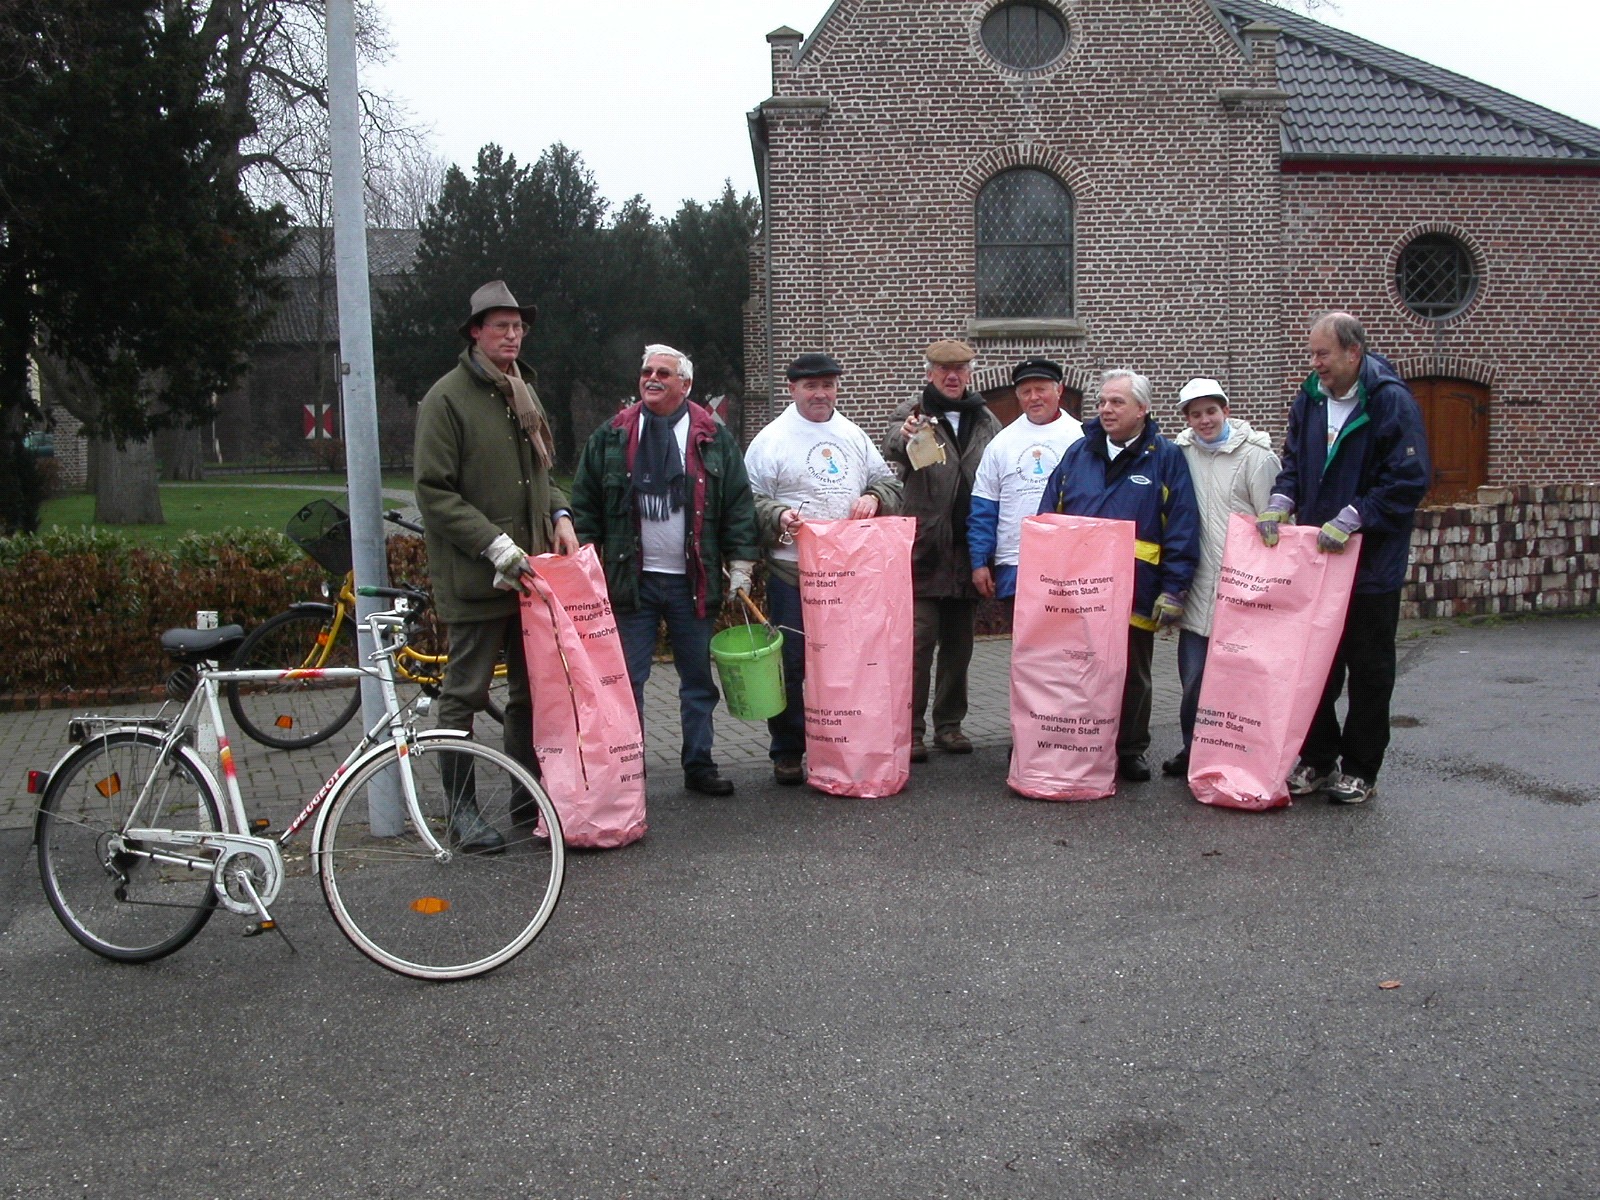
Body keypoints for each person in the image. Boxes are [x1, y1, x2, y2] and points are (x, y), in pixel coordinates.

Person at [413, 280, 579, 853]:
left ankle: (526, 800)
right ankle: (460, 813)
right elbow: (434, 492)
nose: (512, 336)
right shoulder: (446, 399)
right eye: (501, 326)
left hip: (529, 580)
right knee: (463, 694)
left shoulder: (522, 391)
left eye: (519, 327)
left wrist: (559, 511)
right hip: (476, 579)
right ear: (475, 332)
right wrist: (495, 545)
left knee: (531, 695)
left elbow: (540, 474)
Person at [570, 344, 760, 797]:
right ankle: (628, 769)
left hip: (693, 581)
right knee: (627, 681)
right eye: (647, 372)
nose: (652, 379)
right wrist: (585, 568)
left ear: (685, 385)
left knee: (697, 682)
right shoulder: (612, 435)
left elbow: (738, 505)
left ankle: (699, 765)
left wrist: (741, 565)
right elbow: (585, 506)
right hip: (630, 582)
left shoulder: (712, 436)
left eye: (663, 373)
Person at [1256, 311, 1430, 805]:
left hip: (1370, 567)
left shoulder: (1390, 400)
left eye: (1323, 354)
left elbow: (1408, 480)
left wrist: (1356, 516)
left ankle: (1359, 769)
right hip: (1318, 562)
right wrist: (1281, 500)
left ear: (1353, 353)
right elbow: (1294, 461)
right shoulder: (1310, 398)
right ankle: (1316, 757)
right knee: (1314, 667)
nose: (1315, 364)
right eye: (1312, 354)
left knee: (1369, 670)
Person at [743, 352, 903, 785]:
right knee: (792, 664)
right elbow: (746, 501)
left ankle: (842, 746)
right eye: (811, 386)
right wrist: (777, 514)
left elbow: (890, 482)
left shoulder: (852, 434)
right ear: (792, 389)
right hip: (791, 574)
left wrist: (874, 497)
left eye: (827, 385)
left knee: (846, 665)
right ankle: (788, 750)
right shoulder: (771, 440)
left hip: (848, 577)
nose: (820, 394)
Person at [1039, 369, 1199, 782]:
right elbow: (1049, 515)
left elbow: (1181, 526)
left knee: (1131, 673)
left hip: (1136, 588)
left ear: (1143, 409)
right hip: (1078, 591)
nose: (1105, 410)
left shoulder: (1166, 459)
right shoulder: (1079, 453)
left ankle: (1129, 749)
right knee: (1075, 670)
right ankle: (1073, 741)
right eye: (1101, 402)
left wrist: (1174, 590)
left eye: (1116, 402)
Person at [881, 339, 1001, 761]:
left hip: (968, 549)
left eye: (960, 369)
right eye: (944, 369)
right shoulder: (913, 412)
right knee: (917, 645)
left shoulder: (985, 418)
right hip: (924, 550)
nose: (953, 376)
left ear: (970, 373)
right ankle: (910, 730)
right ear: (929, 372)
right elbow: (892, 444)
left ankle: (949, 726)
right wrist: (905, 434)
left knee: (959, 646)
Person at [1161, 378, 1280, 778]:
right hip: (1197, 587)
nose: (1205, 420)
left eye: (1211, 411)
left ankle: (1240, 752)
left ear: (1225, 410)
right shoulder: (1181, 455)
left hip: (1242, 589)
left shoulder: (1257, 458)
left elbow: (1275, 525)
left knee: (1240, 679)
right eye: (1195, 414)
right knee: (1193, 678)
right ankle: (1192, 749)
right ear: (1187, 419)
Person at [968, 357, 1085, 613]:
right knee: (1024, 638)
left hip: (1072, 563)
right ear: (1018, 396)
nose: (1034, 398)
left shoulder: (1083, 439)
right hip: (1015, 563)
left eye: (1041, 389)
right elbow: (984, 508)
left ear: (1059, 390)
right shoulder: (1000, 444)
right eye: (1026, 391)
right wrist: (979, 561)